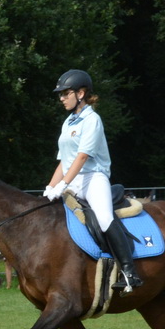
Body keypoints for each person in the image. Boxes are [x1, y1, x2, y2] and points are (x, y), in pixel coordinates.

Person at [42, 69, 141, 290]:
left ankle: (129, 273)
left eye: (65, 93)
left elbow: (82, 156)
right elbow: (63, 161)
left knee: (105, 218)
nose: (61, 98)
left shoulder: (92, 119)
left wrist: (63, 185)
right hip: (72, 178)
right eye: (61, 94)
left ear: (81, 93)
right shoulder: (68, 123)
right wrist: (50, 186)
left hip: (93, 178)